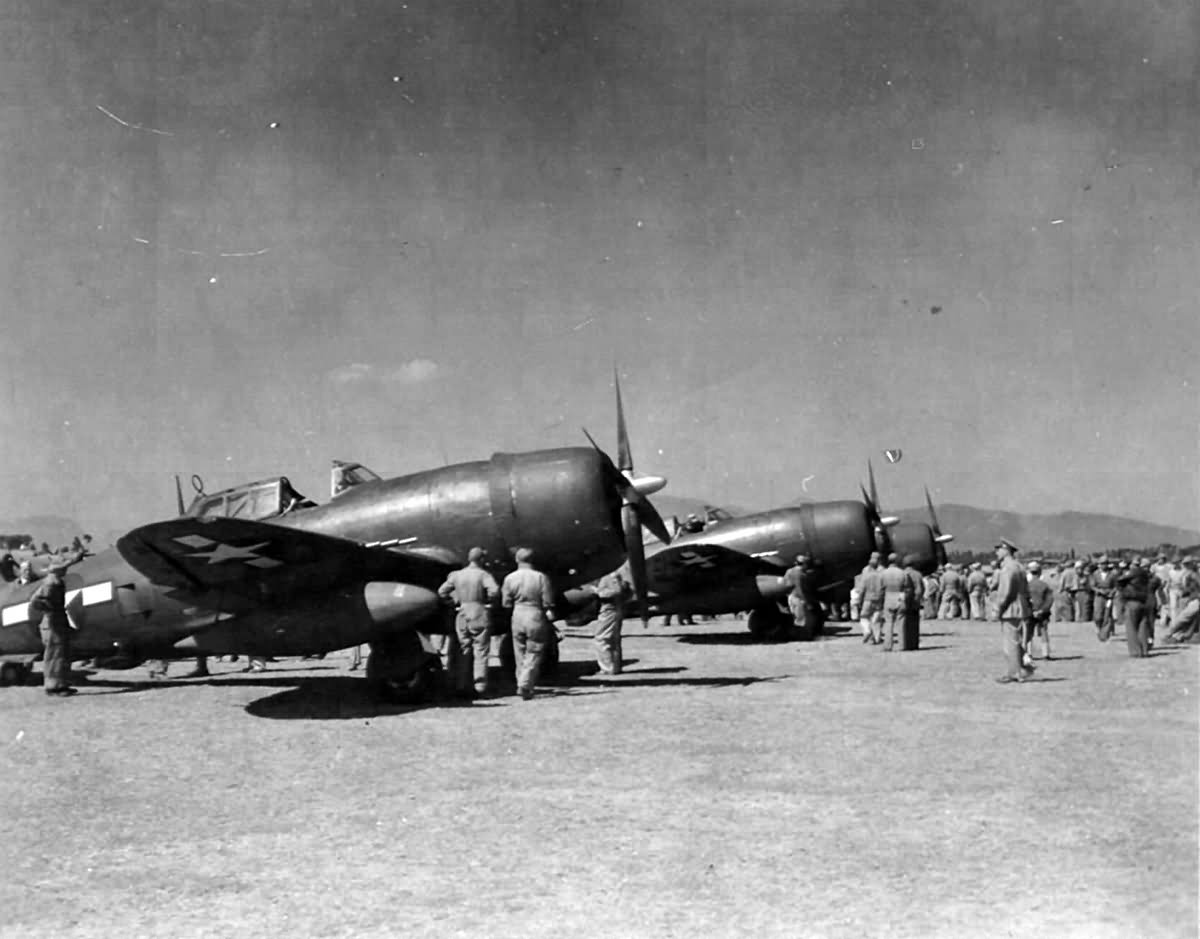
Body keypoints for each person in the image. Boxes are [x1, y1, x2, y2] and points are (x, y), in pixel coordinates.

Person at [438, 547, 500, 697]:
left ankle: (461, 685)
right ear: (481, 560)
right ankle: (480, 687)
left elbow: (442, 591)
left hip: (462, 614)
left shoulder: (457, 575)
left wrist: (453, 602)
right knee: (481, 651)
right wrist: (489, 602)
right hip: (478, 612)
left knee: (463, 649)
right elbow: (495, 590)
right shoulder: (483, 574)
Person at [29, 550, 86, 696]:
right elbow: (36, 601)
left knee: (61, 654)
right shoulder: (52, 582)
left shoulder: (54, 580)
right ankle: (53, 687)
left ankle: (61, 684)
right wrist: (50, 611)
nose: (66, 568)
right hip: (53, 623)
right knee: (55, 656)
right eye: (64, 567)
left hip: (57, 622)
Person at [501, 548, 556, 700]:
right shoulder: (540, 577)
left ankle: (522, 683)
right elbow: (548, 601)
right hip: (535, 614)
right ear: (533, 560)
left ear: (517, 560)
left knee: (519, 651)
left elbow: (505, 603)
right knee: (535, 650)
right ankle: (525, 683)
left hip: (517, 615)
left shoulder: (509, 578)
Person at [993, 540, 1033, 683]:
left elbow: (1005, 592)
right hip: (1020, 606)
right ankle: (1023, 668)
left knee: (1010, 643)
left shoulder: (1008, 568)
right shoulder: (1019, 566)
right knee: (1016, 640)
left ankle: (1015, 672)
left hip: (1010, 608)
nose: (996, 552)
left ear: (1006, 550)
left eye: (998, 549)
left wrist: (998, 608)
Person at [592, 564, 632, 674]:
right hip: (613, 609)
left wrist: (598, 592)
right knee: (614, 639)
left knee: (602, 638)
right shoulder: (613, 575)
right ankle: (615, 666)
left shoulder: (610, 575)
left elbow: (617, 590)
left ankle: (607, 667)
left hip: (609, 610)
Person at [1117, 557, 1154, 658]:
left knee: (1131, 627)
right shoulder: (1146, 574)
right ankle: (1144, 650)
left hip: (1132, 601)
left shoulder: (1133, 572)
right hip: (1144, 601)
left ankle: (1135, 651)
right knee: (1142, 627)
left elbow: (1119, 580)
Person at [782, 554, 822, 639]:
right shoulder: (801, 574)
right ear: (804, 564)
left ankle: (798, 635)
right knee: (802, 618)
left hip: (791, 597)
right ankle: (802, 636)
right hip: (799, 598)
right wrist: (807, 602)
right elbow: (801, 590)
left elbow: (784, 584)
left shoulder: (789, 571)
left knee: (796, 617)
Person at [879, 553, 910, 652]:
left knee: (888, 623)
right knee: (901, 622)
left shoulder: (883, 573)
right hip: (900, 596)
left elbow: (881, 587)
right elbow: (907, 586)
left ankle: (888, 645)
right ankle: (902, 645)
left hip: (888, 596)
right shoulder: (903, 573)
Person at [1025, 561, 1054, 660]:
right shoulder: (1045, 585)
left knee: (1029, 633)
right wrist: (1042, 610)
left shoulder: (1026, 586)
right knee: (1043, 632)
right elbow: (1049, 600)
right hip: (1043, 613)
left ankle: (1029, 653)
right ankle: (1046, 653)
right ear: (1040, 572)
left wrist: (1031, 610)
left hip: (1029, 612)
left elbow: (1024, 600)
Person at [858, 552, 884, 644]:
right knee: (877, 620)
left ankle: (867, 630)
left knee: (864, 617)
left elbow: (861, 589)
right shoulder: (881, 573)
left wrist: (859, 600)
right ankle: (877, 638)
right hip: (879, 599)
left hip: (867, 599)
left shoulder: (865, 573)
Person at [1092, 557, 1119, 642]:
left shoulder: (1112, 574)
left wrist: (1112, 592)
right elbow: (1092, 586)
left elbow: (1116, 586)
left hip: (1109, 596)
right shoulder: (1095, 574)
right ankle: (1098, 628)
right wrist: (1099, 590)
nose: (1104, 566)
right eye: (1102, 564)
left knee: (1107, 615)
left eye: (1105, 564)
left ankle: (1105, 634)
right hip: (1099, 596)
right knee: (1098, 615)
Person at [901, 554, 924, 650]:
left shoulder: (901, 573)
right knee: (914, 625)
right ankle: (913, 644)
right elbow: (919, 589)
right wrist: (917, 601)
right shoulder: (917, 574)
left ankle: (905, 643)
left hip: (903, 601)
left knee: (904, 624)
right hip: (913, 601)